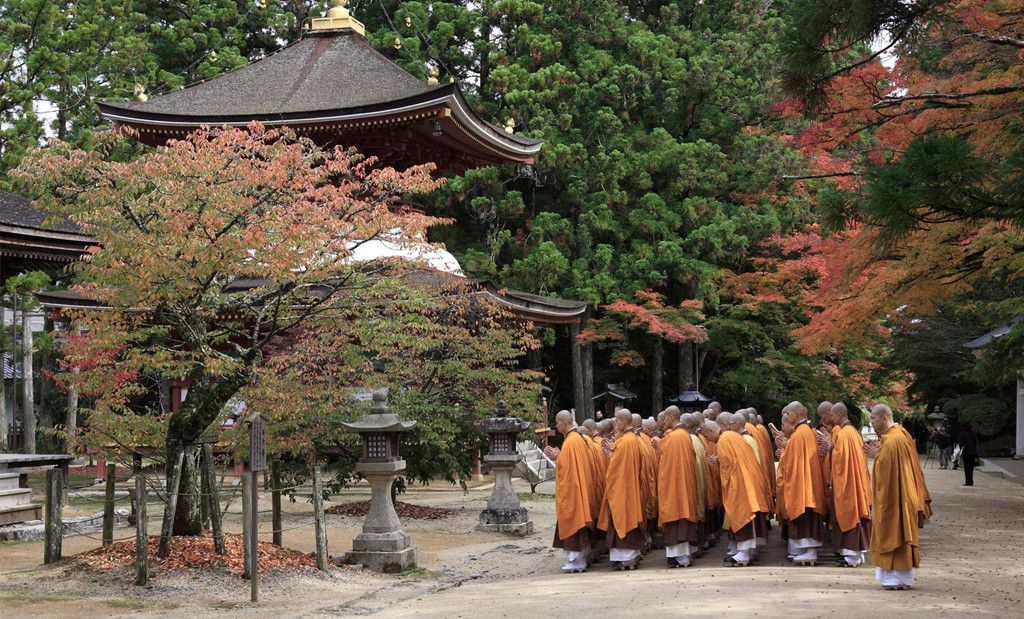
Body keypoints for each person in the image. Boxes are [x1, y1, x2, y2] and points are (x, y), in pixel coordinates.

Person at [868, 404, 929, 590]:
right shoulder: (901, 434)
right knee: (900, 532)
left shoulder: (893, 440)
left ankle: (896, 577)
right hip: (902, 494)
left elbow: (885, 472)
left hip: (895, 498)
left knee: (894, 531)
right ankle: (900, 577)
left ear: (884, 417)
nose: (871, 422)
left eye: (873, 418)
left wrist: (875, 456)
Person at [715, 412, 770, 566]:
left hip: (740, 483)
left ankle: (744, 554)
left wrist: (718, 462)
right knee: (748, 515)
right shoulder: (740, 438)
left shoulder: (726, 438)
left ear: (727, 425)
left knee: (743, 514)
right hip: (750, 481)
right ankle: (746, 552)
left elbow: (727, 464)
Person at [597, 409, 647, 570]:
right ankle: (628, 556)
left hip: (622, 489)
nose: (615, 424)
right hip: (628, 487)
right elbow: (622, 461)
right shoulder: (631, 439)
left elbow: (616, 469)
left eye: (617, 421)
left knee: (621, 519)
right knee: (628, 519)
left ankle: (624, 558)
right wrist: (613, 452)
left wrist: (612, 457)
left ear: (624, 422)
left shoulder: (626, 441)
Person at [779, 401, 827, 566]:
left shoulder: (801, 433)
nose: (787, 416)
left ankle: (810, 550)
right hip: (807, 481)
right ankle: (806, 550)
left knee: (807, 515)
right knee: (807, 516)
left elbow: (793, 461)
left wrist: (785, 448)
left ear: (797, 413)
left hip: (804, 483)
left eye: (789, 413)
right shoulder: (803, 431)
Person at [550, 410, 595, 572]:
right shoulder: (578, 439)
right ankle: (579, 558)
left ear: (564, 422)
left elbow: (567, 469)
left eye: (557, 423)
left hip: (573, 491)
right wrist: (560, 456)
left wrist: (558, 457)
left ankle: (576, 560)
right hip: (579, 488)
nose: (556, 426)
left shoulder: (571, 442)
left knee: (572, 520)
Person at [829, 403, 872, 567]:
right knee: (856, 515)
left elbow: (842, 460)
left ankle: (852, 556)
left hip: (849, 483)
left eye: (832, 415)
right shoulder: (852, 432)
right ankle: (855, 555)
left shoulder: (845, 434)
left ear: (839, 414)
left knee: (850, 514)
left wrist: (831, 449)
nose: (831, 418)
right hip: (856, 480)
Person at [657, 407, 700, 567]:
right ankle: (684, 556)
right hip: (683, 485)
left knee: (676, 517)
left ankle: (679, 556)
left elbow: (666, 464)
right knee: (683, 517)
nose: (663, 421)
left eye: (664, 418)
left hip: (674, 486)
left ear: (670, 417)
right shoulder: (685, 436)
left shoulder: (674, 437)